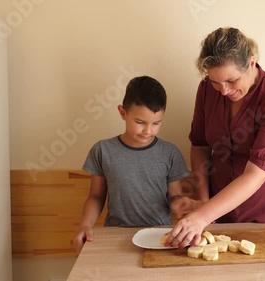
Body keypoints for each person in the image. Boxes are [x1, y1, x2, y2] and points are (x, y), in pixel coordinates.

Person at [166, 27, 265, 248]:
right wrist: (205, 202)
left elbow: (256, 174)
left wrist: (202, 215)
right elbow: (199, 145)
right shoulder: (207, 90)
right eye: (216, 82)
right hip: (220, 209)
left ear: (252, 63)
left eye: (232, 81)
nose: (224, 91)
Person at [73, 76, 197, 254]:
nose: (148, 131)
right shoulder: (102, 150)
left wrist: (180, 204)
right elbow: (96, 196)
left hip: (159, 238)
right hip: (116, 236)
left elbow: (174, 197)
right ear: (123, 113)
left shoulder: (170, 153)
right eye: (140, 122)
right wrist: (85, 225)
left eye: (156, 123)